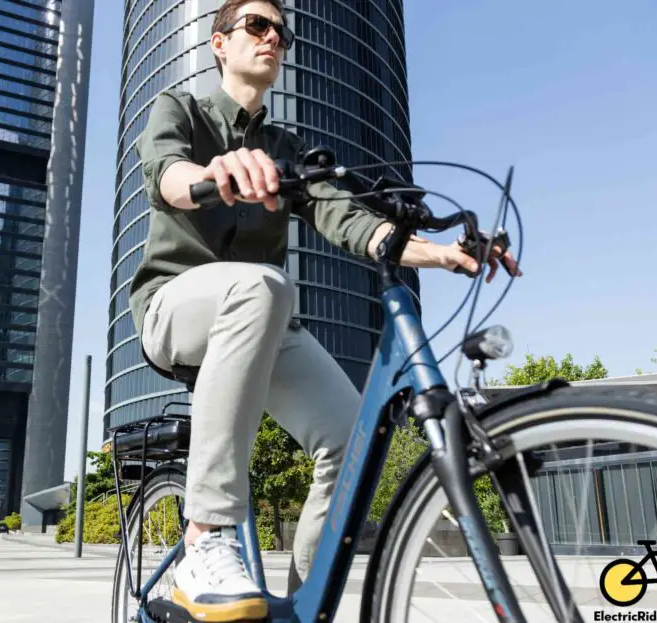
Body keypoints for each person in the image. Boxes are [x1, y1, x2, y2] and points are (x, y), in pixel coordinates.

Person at [130, 1, 520, 620]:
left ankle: (305, 605)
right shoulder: (181, 109)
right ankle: (205, 536)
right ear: (219, 43)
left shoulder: (290, 148)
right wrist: (217, 171)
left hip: (260, 314)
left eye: (281, 32)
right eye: (257, 26)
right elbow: (167, 176)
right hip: (173, 305)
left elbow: (348, 218)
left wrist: (440, 254)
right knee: (265, 286)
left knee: (349, 438)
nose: (273, 39)